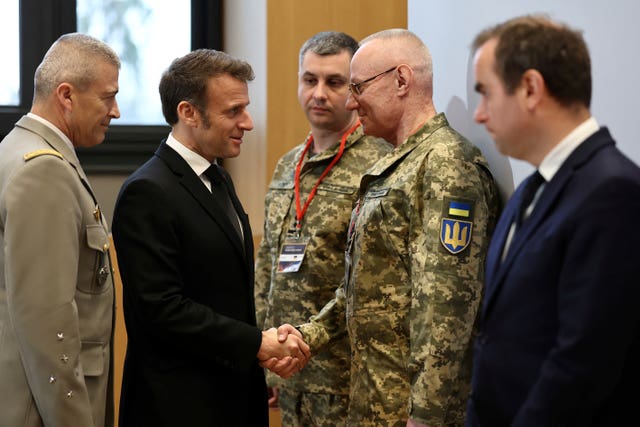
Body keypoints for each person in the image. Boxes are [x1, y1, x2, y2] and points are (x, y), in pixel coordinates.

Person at [287, 29, 501, 426]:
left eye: (358, 87)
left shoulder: (445, 166)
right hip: (372, 402)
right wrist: (309, 335)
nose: (351, 102)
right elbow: (367, 289)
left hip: (408, 413)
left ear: (401, 80)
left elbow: (446, 312)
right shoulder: (397, 163)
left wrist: (427, 416)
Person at [111, 49, 310, 427]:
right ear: (188, 113)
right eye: (233, 111)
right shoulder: (147, 191)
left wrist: (263, 347)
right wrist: (256, 343)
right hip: (179, 407)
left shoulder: (218, 178)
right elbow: (163, 310)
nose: (247, 122)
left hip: (232, 397)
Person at [467, 15, 640, 426]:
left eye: (485, 93)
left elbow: (583, 361)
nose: (478, 115)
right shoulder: (532, 189)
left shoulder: (612, 192)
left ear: (530, 88)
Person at [254, 31, 391, 426]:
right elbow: (268, 266)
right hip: (288, 370)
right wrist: (266, 356)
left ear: (354, 89)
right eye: (309, 80)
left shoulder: (379, 165)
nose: (319, 93)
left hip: (345, 377)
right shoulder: (287, 165)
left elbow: (368, 280)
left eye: (334, 82)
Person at [0, 33, 120, 426]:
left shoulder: (15, 148)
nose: (115, 111)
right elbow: (47, 324)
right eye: (107, 97)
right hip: (42, 409)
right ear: (66, 96)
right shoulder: (44, 170)